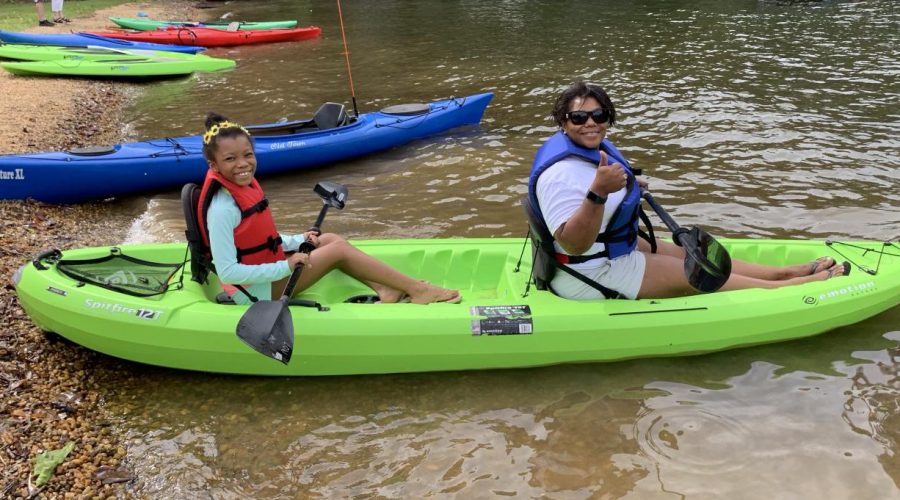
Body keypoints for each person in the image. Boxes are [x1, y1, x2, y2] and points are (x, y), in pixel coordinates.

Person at [527, 81, 848, 300]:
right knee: (695, 274)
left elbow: (600, 192)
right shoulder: (561, 174)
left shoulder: (587, 151)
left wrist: (625, 187)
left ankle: (782, 272)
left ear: (608, 117)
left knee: (693, 257)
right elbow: (573, 243)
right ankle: (793, 288)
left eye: (599, 115)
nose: (590, 123)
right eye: (579, 117)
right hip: (590, 271)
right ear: (563, 122)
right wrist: (598, 192)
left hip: (614, 248)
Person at [198, 112, 461, 305]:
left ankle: (387, 289)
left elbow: (260, 239)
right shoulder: (223, 208)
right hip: (252, 291)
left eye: (248, 155)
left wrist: (298, 240)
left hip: (267, 272)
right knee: (338, 251)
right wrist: (287, 266)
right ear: (214, 165)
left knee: (331, 239)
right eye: (230, 159)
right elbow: (228, 272)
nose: (243, 164)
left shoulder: (243, 187)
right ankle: (417, 290)